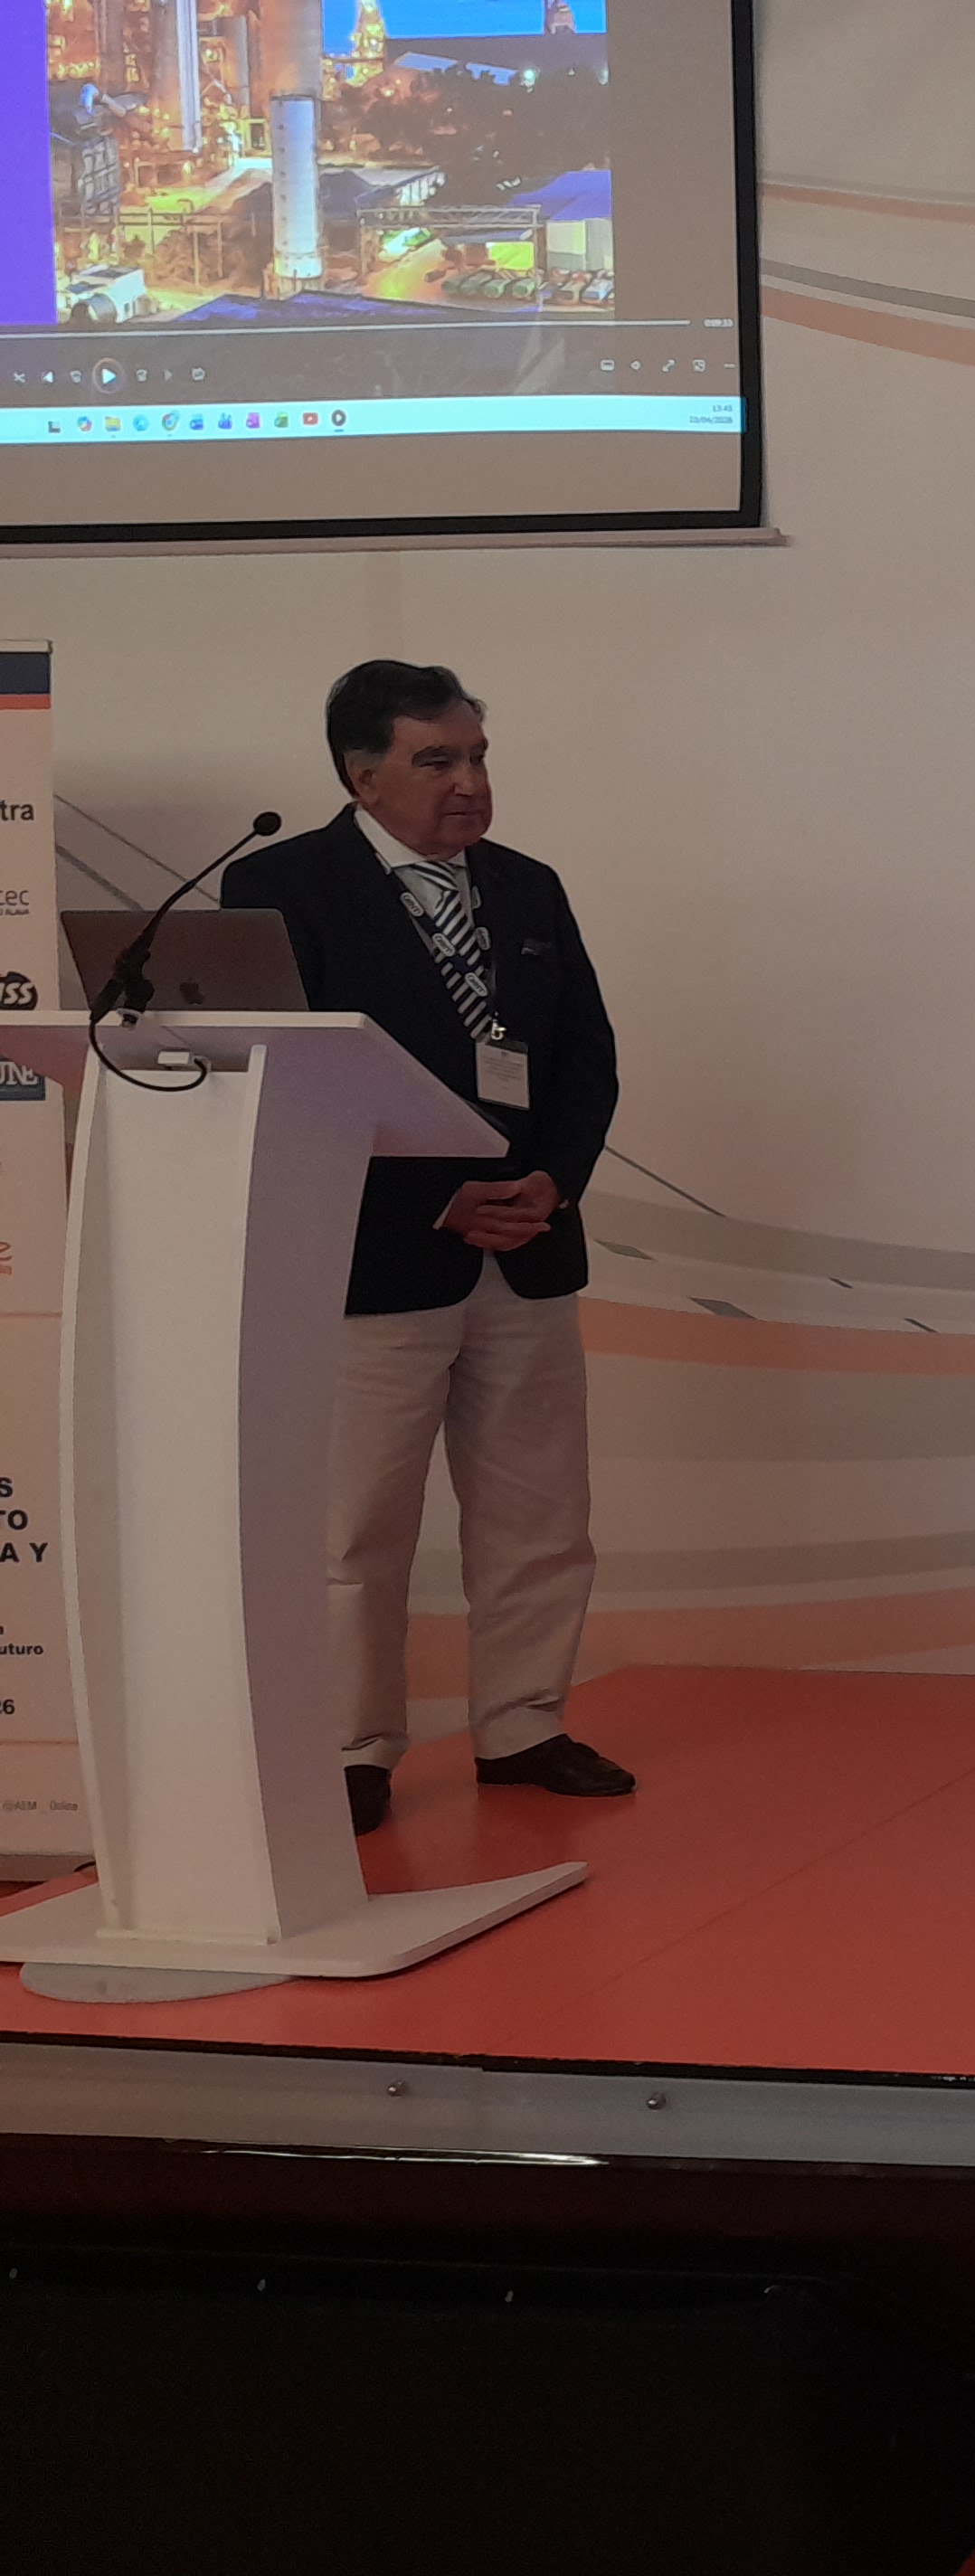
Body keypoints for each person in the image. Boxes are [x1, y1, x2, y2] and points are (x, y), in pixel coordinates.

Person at [225, 662, 627, 1833]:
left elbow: (587, 1058)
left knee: (540, 1516)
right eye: (436, 760)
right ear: (362, 777)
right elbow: (284, 1087)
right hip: (372, 1263)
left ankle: (523, 1726)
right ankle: (352, 1749)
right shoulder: (279, 887)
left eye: (477, 756)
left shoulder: (526, 886)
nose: (469, 783)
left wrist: (552, 1182)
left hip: (525, 1252)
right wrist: (433, 1205)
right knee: (356, 1526)